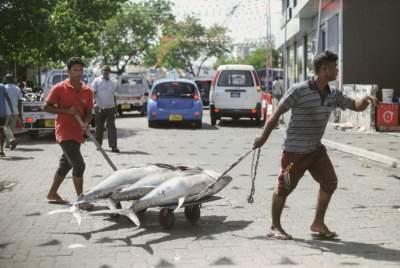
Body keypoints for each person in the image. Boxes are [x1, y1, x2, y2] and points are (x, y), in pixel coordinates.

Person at [253, 51, 377, 240]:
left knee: (330, 182)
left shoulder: (333, 94)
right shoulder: (299, 90)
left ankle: (318, 223)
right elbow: (276, 114)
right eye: (335, 67)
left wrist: (366, 100)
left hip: (315, 150)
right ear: (324, 69)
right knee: (284, 187)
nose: (337, 70)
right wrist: (263, 137)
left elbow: (354, 105)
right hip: (295, 152)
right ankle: (274, 226)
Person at [43, 57, 94, 209]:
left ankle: (52, 194)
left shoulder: (87, 90)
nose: (78, 73)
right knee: (79, 164)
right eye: (75, 70)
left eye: (80, 70)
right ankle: (81, 199)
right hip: (64, 132)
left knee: (66, 164)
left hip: (78, 132)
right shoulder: (59, 88)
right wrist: (66, 111)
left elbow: (89, 111)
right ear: (68, 71)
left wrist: (86, 122)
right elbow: (46, 107)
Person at [91, 65, 119, 153]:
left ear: (109, 72)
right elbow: (93, 93)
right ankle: (98, 145)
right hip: (99, 108)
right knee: (99, 128)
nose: (106, 73)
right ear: (101, 72)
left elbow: (114, 95)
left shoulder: (113, 81)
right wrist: (94, 103)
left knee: (112, 127)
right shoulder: (96, 81)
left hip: (110, 107)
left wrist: (116, 107)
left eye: (107, 71)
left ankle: (113, 146)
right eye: (104, 71)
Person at [4, 74, 23, 150]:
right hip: (15, 111)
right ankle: (7, 144)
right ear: (13, 79)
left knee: (5, 126)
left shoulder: (4, 88)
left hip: (5, 111)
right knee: (11, 128)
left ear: (6, 79)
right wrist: (20, 112)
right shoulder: (17, 88)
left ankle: (12, 139)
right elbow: (20, 101)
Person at [0, 81, 14, 157]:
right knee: (2, 131)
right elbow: (8, 98)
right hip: (2, 113)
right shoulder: (2, 86)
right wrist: (11, 109)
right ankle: (1, 151)